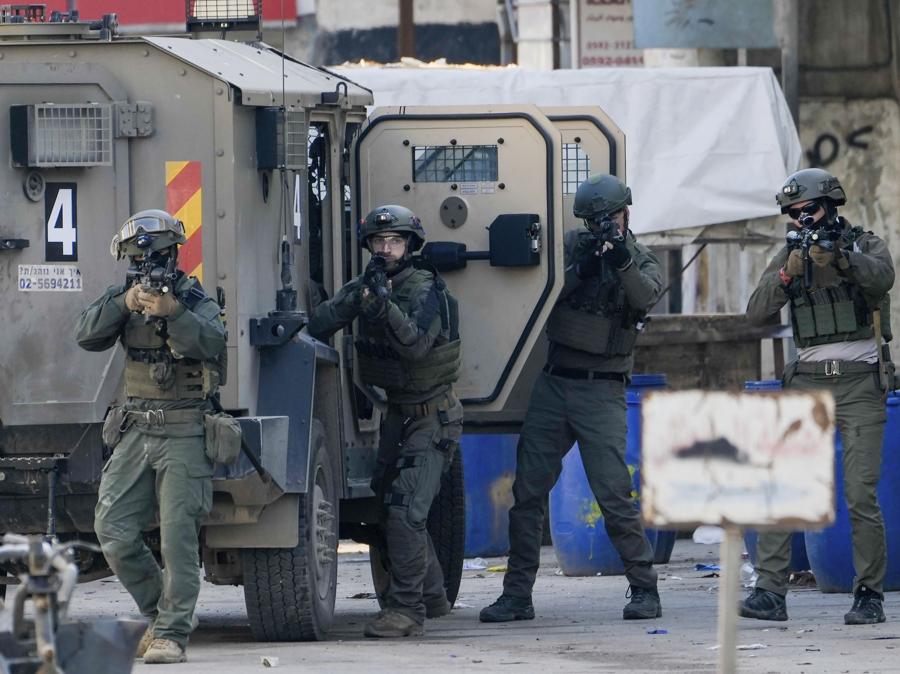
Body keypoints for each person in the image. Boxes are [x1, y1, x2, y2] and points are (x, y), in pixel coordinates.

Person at [479, 174, 663, 623]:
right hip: (556, 383)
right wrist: (580, 271)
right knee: (527, 492)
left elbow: (646, 296)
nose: (602, 226)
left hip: (602, 388)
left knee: (613, 493)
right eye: (594, 221)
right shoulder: (571, 249)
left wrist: (620, 261)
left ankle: (644, 588)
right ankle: (517, 595)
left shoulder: (640, 258)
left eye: (609, 218)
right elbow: (536, 296)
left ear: (625, 214)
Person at [742, 168, 894, 625]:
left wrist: (843, 259)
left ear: (830, 206)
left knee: (860, 494)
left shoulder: (863, 244)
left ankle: (868, 594)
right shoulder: (790, 253)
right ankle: (770, 591)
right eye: (793, 213)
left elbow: (882, 279)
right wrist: (787, 273)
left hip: (859, 383)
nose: (802, 219)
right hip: (807, 381)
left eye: (809, 210)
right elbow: (756, 312)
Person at [76, 209, 227, 664]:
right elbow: (86, 335)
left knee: (178, 538)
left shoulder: (194, 300)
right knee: (112, 527)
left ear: (173, 256)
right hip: (137, 428)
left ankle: (172, 634)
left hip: (185, 431)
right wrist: (125, 303)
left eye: (155, 256)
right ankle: (161, 614)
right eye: (139, 259)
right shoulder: (125, 298)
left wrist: (173, 313)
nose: (147, 265)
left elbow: (212, 343)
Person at [307, 204, 462, 638]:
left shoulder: (426, 288)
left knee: (404, 512)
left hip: (433, 416)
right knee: (388, 507)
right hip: (397, 415)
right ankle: (432, 595)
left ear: (410, 246)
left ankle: (407, 610)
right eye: (379, 242)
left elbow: (415, 345)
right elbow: (322, 322)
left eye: (394, 241)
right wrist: (359, 295)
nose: (386, 249)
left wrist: (383, 305)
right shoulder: (370, 285)